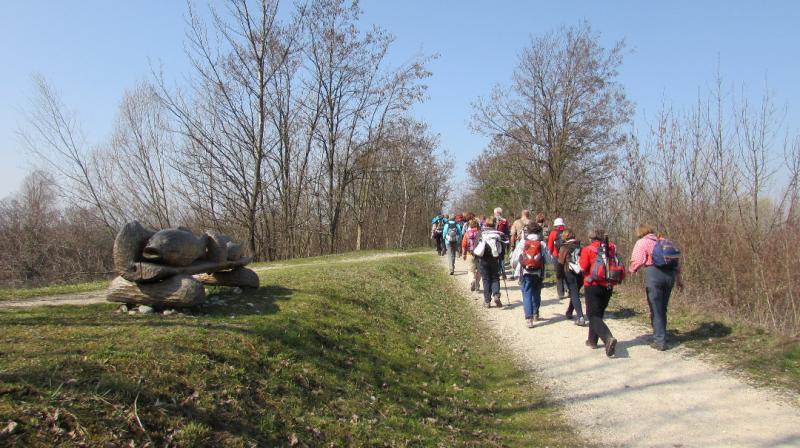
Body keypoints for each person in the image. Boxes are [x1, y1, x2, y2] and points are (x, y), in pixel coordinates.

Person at [629, 224, 684, 351]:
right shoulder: (663, 241)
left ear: (640, 232)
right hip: (670, 276)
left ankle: (659, 340)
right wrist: (679, 280)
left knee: (655, 308)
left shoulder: (642, 242)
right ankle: (661, 335)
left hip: (654, 274)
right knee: (663, 308)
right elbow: (676, 264)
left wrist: (629, 271)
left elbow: (638, 261)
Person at [579, 228, 619, 357]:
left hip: (593, 285)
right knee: (598, 313)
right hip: (608, 285)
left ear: (591, 238)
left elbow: (582, 267)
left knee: (592, 315)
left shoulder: (588, 249)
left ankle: (608, 338)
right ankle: (592, 340)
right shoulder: (611, 248)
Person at [514, 222, 546, 327]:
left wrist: (515, 267)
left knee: (527, 293)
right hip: (538, 272)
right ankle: (536, 313)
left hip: (525, 271)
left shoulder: (523, 242)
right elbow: (549, 258)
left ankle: (529, 318)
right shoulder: (541, 243)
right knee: (536, 292)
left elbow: (515, 258)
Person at [558, 229, 586, 326]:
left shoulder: (564, 247)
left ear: (565, 237)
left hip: (569, 272)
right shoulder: (581, 246)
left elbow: (560, 263)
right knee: (575, 293)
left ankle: (580, 317)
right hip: (581, 273)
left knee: (574, 294)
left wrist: (559, 276)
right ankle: (569, 312)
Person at [477, 217, 504, 308]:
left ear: (485, 224)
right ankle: (496, 295)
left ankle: (487, 301)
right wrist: (501, 258)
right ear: (494, 224)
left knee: (486, 279)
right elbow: (502, 248)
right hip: (494, 259)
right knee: (495, 278)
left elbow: (476, 247)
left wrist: (477, 257)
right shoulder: (498, 234)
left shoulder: (481, 233)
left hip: (483, 259)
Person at [548, 218, 568, 299]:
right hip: (566, 256)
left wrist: (550, 254)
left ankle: (560, 293)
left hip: (557, 255)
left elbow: (550, 246)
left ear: (555, 225)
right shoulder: (567, 232)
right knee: (566, 272)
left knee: (559, 274)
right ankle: (569, 290)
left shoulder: (553, 233)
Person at [462, 218, 482, 293]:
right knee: (479, 270)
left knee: (471, 270)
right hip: (480, 254)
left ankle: (472, 280)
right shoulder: (481, 233)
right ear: (478, 225)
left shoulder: (467, 233)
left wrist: (464, 254)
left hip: (470, 254)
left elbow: (464, 245)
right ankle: (477, 285)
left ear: (470, 225)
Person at [494, 207, 510, 279]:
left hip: (496, 240)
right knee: (501, 256)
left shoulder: (493, 220)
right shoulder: (505, 221)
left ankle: (499, 272)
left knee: (496, 256)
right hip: (502, 240)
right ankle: (502, 272)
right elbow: (507, 231)